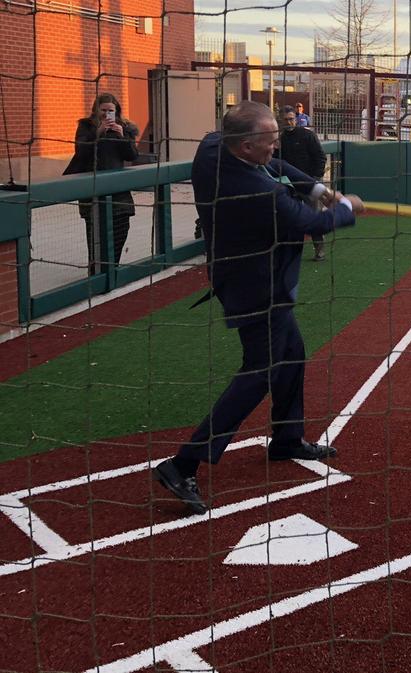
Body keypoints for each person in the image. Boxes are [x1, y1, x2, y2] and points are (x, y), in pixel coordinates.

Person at [152, 101, 365, 515]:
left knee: (292, 356)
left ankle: (286, 439)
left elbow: (285, 167)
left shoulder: (214, 146)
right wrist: (343, 208)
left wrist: (320, 188)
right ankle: (182, 464)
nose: (274, 148)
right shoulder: (253, 189)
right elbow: (311, 224)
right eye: (267, 143)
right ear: (245, 146)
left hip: (253, 277)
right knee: (260, 370)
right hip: (256, 286)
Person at [62, 93, 140, 276]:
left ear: (116, 111)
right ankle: (96, 272)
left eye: (110, 111)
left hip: (118, 187)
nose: (106, 115)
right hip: (92, 187)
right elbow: (80, 152)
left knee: (121, 226)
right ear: (96, 111)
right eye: (103, 111)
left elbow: (132, 155)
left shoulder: (125, 127)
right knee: (95, 231)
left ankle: (113, 268)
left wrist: (122, 136)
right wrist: (98, 134)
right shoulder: (86, 127)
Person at [277, 105, 329, 260]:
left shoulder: (307, 135)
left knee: (313, 216)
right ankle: (290, 251)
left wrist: (315, 179)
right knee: (288, 218)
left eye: (291, 119)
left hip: (308, 184)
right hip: (288, 185)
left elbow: (320, 157)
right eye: (286, 120)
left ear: (296, 119)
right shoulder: (279, 139)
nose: (289, 122)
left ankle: (319, 249)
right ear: (281, 120)